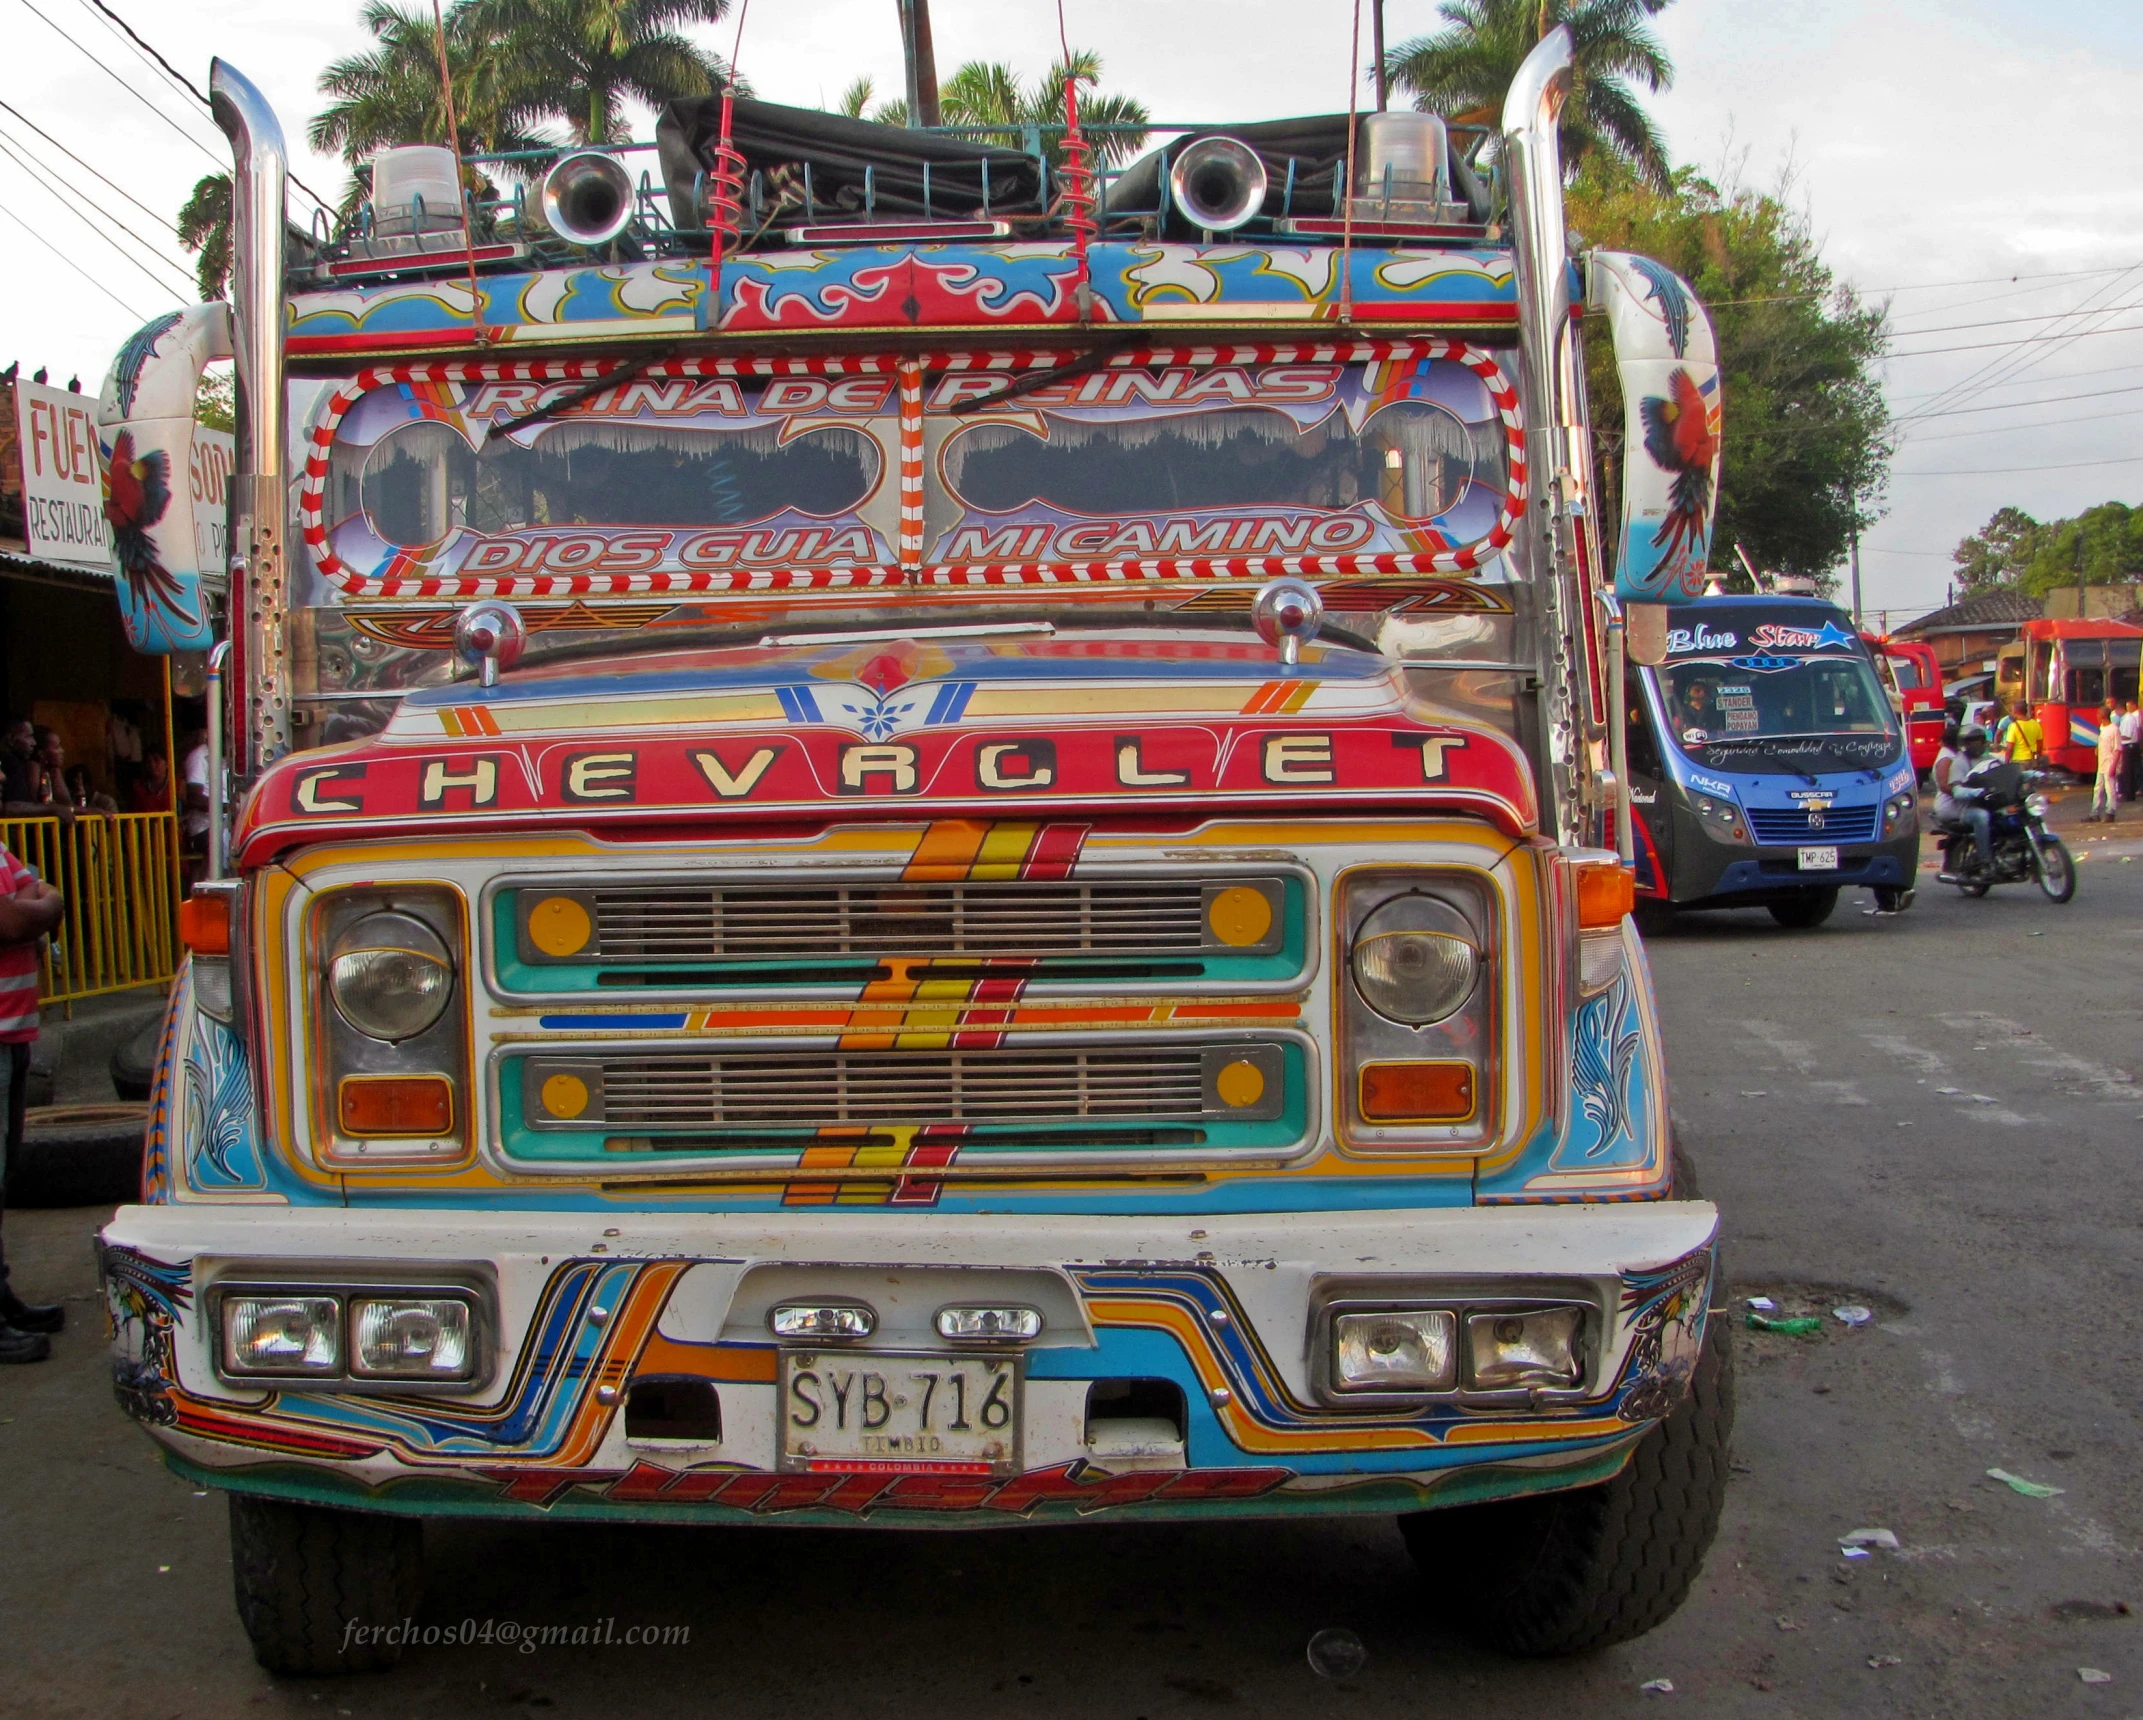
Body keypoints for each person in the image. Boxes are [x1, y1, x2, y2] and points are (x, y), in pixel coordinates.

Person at [0, 840, 64, 1363]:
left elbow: (36, 896)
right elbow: (17, 921)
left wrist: (37, 907)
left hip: (12, 1032)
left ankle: (2, 1299)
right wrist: (42, 909)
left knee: (4, 1169)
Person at [1935, 724, 1995, 872]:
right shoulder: (1953, 760)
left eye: (1979, 740)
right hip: (1955, 806)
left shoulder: (1984, 757)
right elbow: (1949, 788)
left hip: (1977, 801)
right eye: (1971, 740)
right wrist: (1974, 792)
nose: (1976, 743)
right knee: (1981, 817)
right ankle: (1984, 859)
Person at [2087, 702, 2122, 823]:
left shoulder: (2114, 729)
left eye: (2098, 714)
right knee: (2098, 789)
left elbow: (2117, 750)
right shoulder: (2102, 728)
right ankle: (2094, 813)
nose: (2096, 716)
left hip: (2109, 764)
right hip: (2101, 764)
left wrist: (2113, 766)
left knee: (2110, 789)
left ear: (2103, 716)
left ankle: (2110, 812)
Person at [2121, 698, 2141, 803]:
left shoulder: (2129, 719)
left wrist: (2116, 737)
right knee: (2129, 771)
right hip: (2130, 746)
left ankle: (2129, 794)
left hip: (2129, 746)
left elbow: (2127, 736)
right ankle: (2129, 793)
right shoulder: (2127, 718)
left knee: (2128, 771)